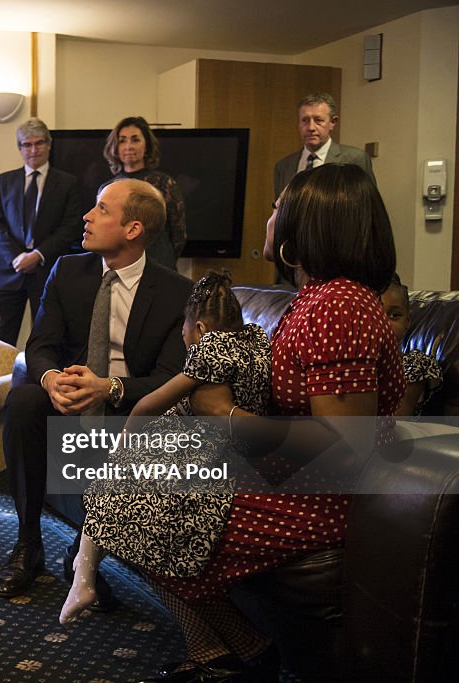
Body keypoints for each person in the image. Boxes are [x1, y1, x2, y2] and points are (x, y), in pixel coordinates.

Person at [130, 163, 402, 682]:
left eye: (279, 207)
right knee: (127, 483)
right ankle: (237, 655)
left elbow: (344, 448)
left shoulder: (340, 304)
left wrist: (225, 418)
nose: (271, 216)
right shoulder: (319, 298)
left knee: (142, 511)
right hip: (294, 479)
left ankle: (244, 659)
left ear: (312, 224)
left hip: (322, 500)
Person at [0, 178, 193, 600]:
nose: (87, 216)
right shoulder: (67, 271)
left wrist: (111, 387)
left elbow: (171, 376)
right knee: (24, 399)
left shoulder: (177, 292)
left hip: (129, 403)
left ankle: (83, 555)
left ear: (133, 229)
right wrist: (51, 381)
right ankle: (28, 545)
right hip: (67, 393)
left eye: (101, 209)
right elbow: (41, 345)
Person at [59, 271, 271, 624]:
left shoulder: (211, 347)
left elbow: (148, 405)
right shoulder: (256, 342)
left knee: (111, 482)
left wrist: (122, 449)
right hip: (237, 452)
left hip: (210, 455)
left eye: (183, 333)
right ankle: (84, 569)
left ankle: (83, 575)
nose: (183, 341)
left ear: (200, 329)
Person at [0, 118, 83, 346]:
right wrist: (17, 257)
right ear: (19, 148)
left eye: (39, 143)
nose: (33, 150)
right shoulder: (4, 181)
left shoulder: (68, 183)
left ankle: (39, 381)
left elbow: (70, 228)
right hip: (8, 272)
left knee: (47, 338)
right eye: (26, 144)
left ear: (49, 145)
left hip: (48, 271)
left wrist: (37, 255)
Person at [100, 116, 186, 270]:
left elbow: (178, 233)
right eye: (122, 140)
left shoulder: (164, 184)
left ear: (146, 145)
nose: (128, 146)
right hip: (120, 268)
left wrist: (164, 256)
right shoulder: (106, 188)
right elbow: (103, 233)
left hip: (160, 265)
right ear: (115, 147)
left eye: (135, 140)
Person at [273, 92, 375, 199]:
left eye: (318, 120)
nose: (310, 127)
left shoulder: (354, 159)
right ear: (298, 123)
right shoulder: (283, 167)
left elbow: (370, 206)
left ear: (332, 123)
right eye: (305, 120)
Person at [380, 273, 442, 416]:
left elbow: (397, 419)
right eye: (377, 314)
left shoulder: (416, 364)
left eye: (394, 316)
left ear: (407, 321)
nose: (385, 324)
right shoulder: (356, 364)